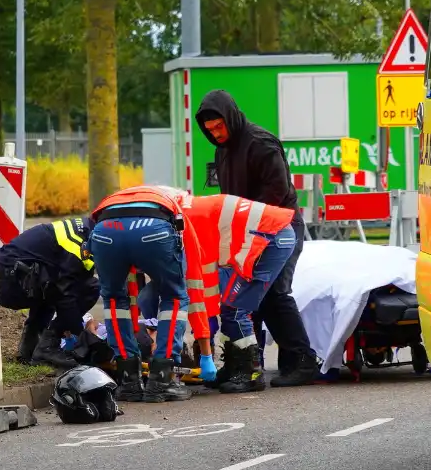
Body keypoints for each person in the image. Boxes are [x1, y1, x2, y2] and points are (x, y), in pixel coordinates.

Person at [195, 90, 320, 386]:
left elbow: (275, 191)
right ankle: (251, 362)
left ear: (231, 118)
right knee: (250, 297)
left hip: (280, 226)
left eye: (219, 127)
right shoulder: (221, 150)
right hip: (247, 229)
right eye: (209, 130)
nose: (216, 134)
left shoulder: (261, 143)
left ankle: (302, 361)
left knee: (275, 293)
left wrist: (246, 223)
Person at [87, 186, 215, 403]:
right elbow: (192, 281)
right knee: (174, 297)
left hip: (105, 229)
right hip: (153, 229)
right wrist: (206, 353)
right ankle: (162, 380)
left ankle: (129, 382)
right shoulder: (182, 212)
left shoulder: (124, 196)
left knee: (114, 301)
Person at [168, 191, 297, 393]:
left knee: (235, 310)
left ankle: (251, 373)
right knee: (230, 306)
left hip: (270, 237)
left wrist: (205, 341)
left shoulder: (189, 223)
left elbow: (204, 283)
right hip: (270, 233)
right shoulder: (184, 211)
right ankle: (233, 367)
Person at [0, 216, 99, 368]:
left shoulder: (84, 230)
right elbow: (67, 295)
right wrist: (80, 337)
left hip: (4, 276)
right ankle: (47, 347)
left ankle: (30, 348)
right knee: (89, 289)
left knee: (53, 281)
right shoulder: (79, 243)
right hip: (10, 282)